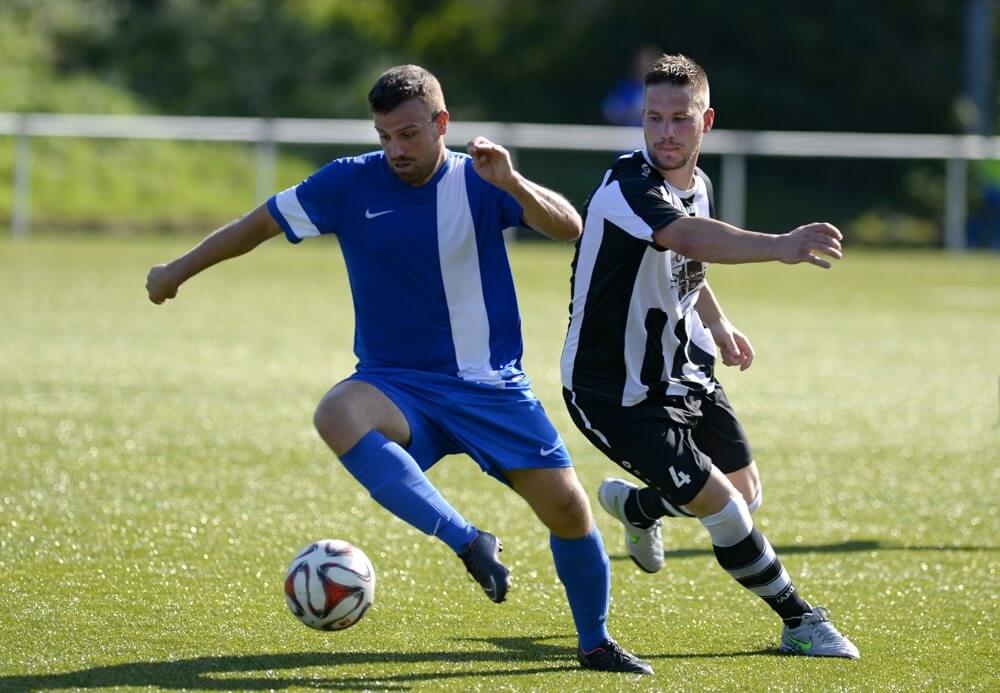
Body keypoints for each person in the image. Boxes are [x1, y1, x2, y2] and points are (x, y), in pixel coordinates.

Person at [146, 65, 651, 674]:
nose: (395, 150)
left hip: (491, 387)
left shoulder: (481, 179)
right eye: (384, 135)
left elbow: (568, 226)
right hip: (398, 385)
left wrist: (513, 181)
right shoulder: (347, 183)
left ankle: (594, 643)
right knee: (337, 411)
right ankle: (467, 539)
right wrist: (178, 269)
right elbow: (258, 226)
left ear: (443, 124)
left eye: (409, 134)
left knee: (569, 512)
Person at [560, 54, 860, 659]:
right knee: (724, 508)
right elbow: (687, 238)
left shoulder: (698, 186)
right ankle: (798, 619)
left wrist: (718, 325)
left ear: (706, 121)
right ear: (641, 122)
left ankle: (638, 505)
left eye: (679, 118)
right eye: (653, 118)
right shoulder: (628, 187)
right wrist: (778, 245)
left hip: (681, 370)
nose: (665, 133)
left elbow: (686, 267)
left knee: (745, 495)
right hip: (612, 392)